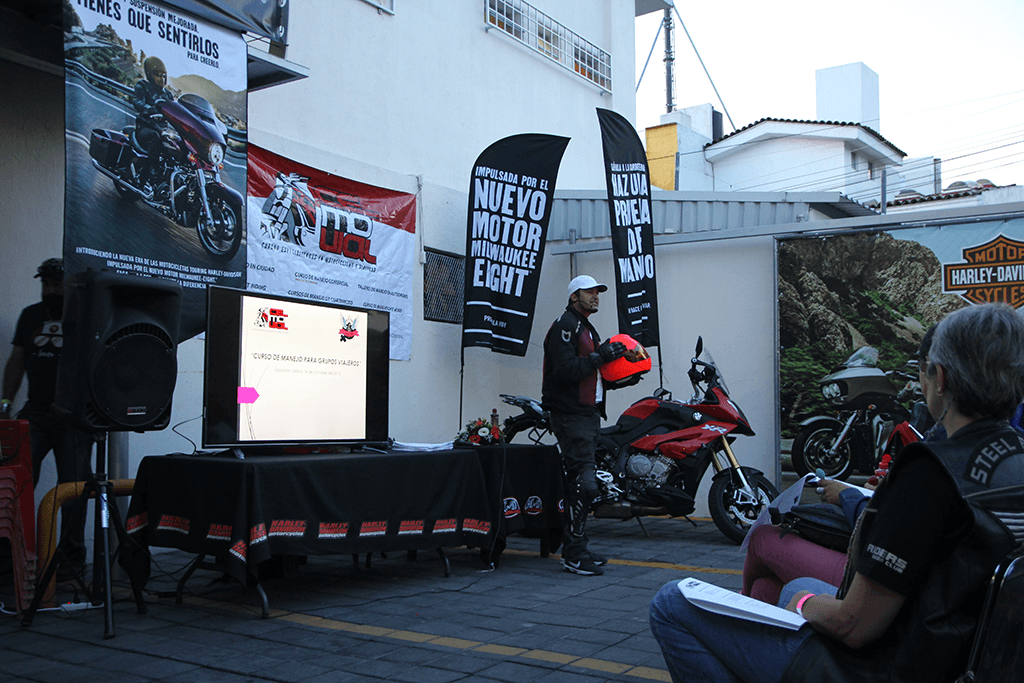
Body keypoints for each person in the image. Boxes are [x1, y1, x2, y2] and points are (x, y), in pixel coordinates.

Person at [649, 302, 1024, 683]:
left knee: (671, 603)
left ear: (940, 378)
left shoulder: (929, 471)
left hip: (882, 667)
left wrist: (806, 605)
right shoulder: (1015, 457)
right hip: (960, 652)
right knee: (779, 586)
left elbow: (854, 626)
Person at [741, 325, 941, 605]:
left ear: (939, 376)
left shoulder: (939, 456)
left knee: (763, 540)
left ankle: (739, 607)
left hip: (886, 585)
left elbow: (896, 534)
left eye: (922, 368)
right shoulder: (976, 452)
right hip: (903, 581)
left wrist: (848, 496)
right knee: (766, 587)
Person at [2, 258, 94, 581]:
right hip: (37, 412)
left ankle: (72, 561)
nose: (50, 290)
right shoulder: (30, 316)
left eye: (56, 284)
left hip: (72, 416)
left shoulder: (83, 316)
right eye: (45, 284)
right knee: (14, 479)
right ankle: (10, 556)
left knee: (72, 489)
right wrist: (4, 404)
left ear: (68, 286)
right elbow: (16, 362)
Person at [542, 275, 626, 576]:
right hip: (571, 415)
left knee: (582, 485)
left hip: (587, 415)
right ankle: (574, 554)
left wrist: (621, 375)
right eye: (589, 292)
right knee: (585, 484)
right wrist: (600, 357)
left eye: (598, 292)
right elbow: (564, 371)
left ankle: (578, 546)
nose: (596, 296)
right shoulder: (566, 325)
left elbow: (591, 373)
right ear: (574, 296)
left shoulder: (585, 326)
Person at [131, 55, 172, 198]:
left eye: (164, 76)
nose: (162, 79)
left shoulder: (168, 94)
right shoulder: (142, 85)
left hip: (162, 130)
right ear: (149, 74)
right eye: (158, 75)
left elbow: (175, 110)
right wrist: (150, 109)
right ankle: (155, 176)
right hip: (145, 128)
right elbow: (137, 102)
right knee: (155, 138)